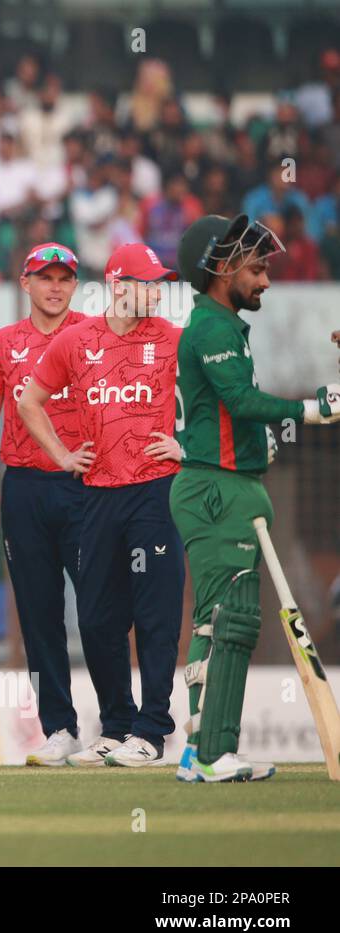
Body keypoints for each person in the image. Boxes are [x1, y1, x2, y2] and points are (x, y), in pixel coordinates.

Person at [171, 214, 340, 782]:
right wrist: (315, 408)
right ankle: (217, 754)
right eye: (257, 267)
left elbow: (229, 412)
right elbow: (241, 401)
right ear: (221, 269)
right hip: (215, 490)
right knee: (230, 624)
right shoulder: (214, 328)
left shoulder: (219, 326)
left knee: (217, 625)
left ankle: (199, 753)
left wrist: (254, 444)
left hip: (221, 484)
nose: (265, 280)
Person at [18, 243, 185, 768]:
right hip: (96, 494)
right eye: (147, 283)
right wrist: (63, 454)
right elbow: (28, 401)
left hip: (157, 492)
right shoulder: (75, 341)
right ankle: (115, 725)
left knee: (156, 616)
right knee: (94, 618)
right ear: (117, 286)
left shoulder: (174, 339)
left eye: (160, 284)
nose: (156, 293)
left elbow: (222, 397)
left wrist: (189, 445)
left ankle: (153, 729)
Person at [0, 243, 90, 766]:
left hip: (87, 484)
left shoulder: (94, 333)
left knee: (101, 607)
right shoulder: (4, 342)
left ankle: (123, 724)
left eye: (65, 278)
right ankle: (60, 728)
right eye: (46, 277)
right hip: (24, 486)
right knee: (39, 616)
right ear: (26, 283)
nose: (56, 287)